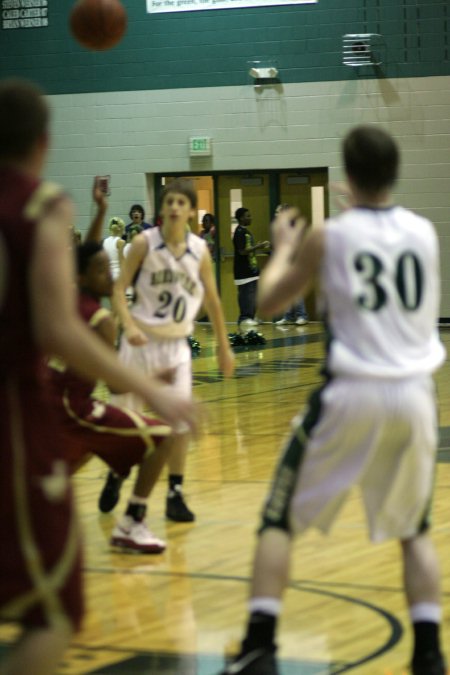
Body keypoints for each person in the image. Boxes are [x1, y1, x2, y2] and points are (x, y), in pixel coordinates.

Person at [220, 126, 446, 675]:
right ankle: (428, 655)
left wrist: (287, 246)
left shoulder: (330, 236)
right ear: (394, 173)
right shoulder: (423, 232)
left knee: (278, 520)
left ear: (346, 175)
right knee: (414, 532)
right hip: (416, 397)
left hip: (352, 392)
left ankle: (259, 645)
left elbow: (270, 302)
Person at [0, 78, 198, 675]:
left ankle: (127, 503)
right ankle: (134, 514)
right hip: (29, 415)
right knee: (54, 614)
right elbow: (59, 326)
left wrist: (100, 214)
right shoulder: (41, 208)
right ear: (44, 140)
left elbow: (79, 263)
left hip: (60, 411)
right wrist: (153, 388)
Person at [105, 178, 235, 523]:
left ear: (191, 210)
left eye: (182, 202)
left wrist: (224, 347)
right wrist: (129, 325)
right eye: (170, 202)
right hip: (140, 344)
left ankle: (175, 492)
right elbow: (119, 290)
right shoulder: (143, 243)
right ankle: (117, 474)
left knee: (177, 422)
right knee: (128, 422)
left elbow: (214, 301)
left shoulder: (199, 250)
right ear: (162, 210)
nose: (175, 207)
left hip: (176, 347)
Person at [49, 232, 176, 554]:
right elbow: (116, 385)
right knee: (162, 435)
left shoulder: (61, 302)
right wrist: (155, 379)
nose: (110, 274)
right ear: (81, 276)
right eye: (100, 270)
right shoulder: (101, 320)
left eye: (110, 267)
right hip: (73, 408)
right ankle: (132, 523)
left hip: (42, 407)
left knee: (58, 470)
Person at [232, 207, 270, 329]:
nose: (250, 218)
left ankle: (251, 317)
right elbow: (242, 251)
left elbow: (248, 248)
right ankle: (244, 318)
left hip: (251, 269)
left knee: (253, 295)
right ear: (241, 218)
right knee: (246, 295)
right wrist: (258, 246)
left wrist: (255, 246)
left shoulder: (246, 232)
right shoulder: (239, 232)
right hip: (243, 270)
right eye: (248, 216)